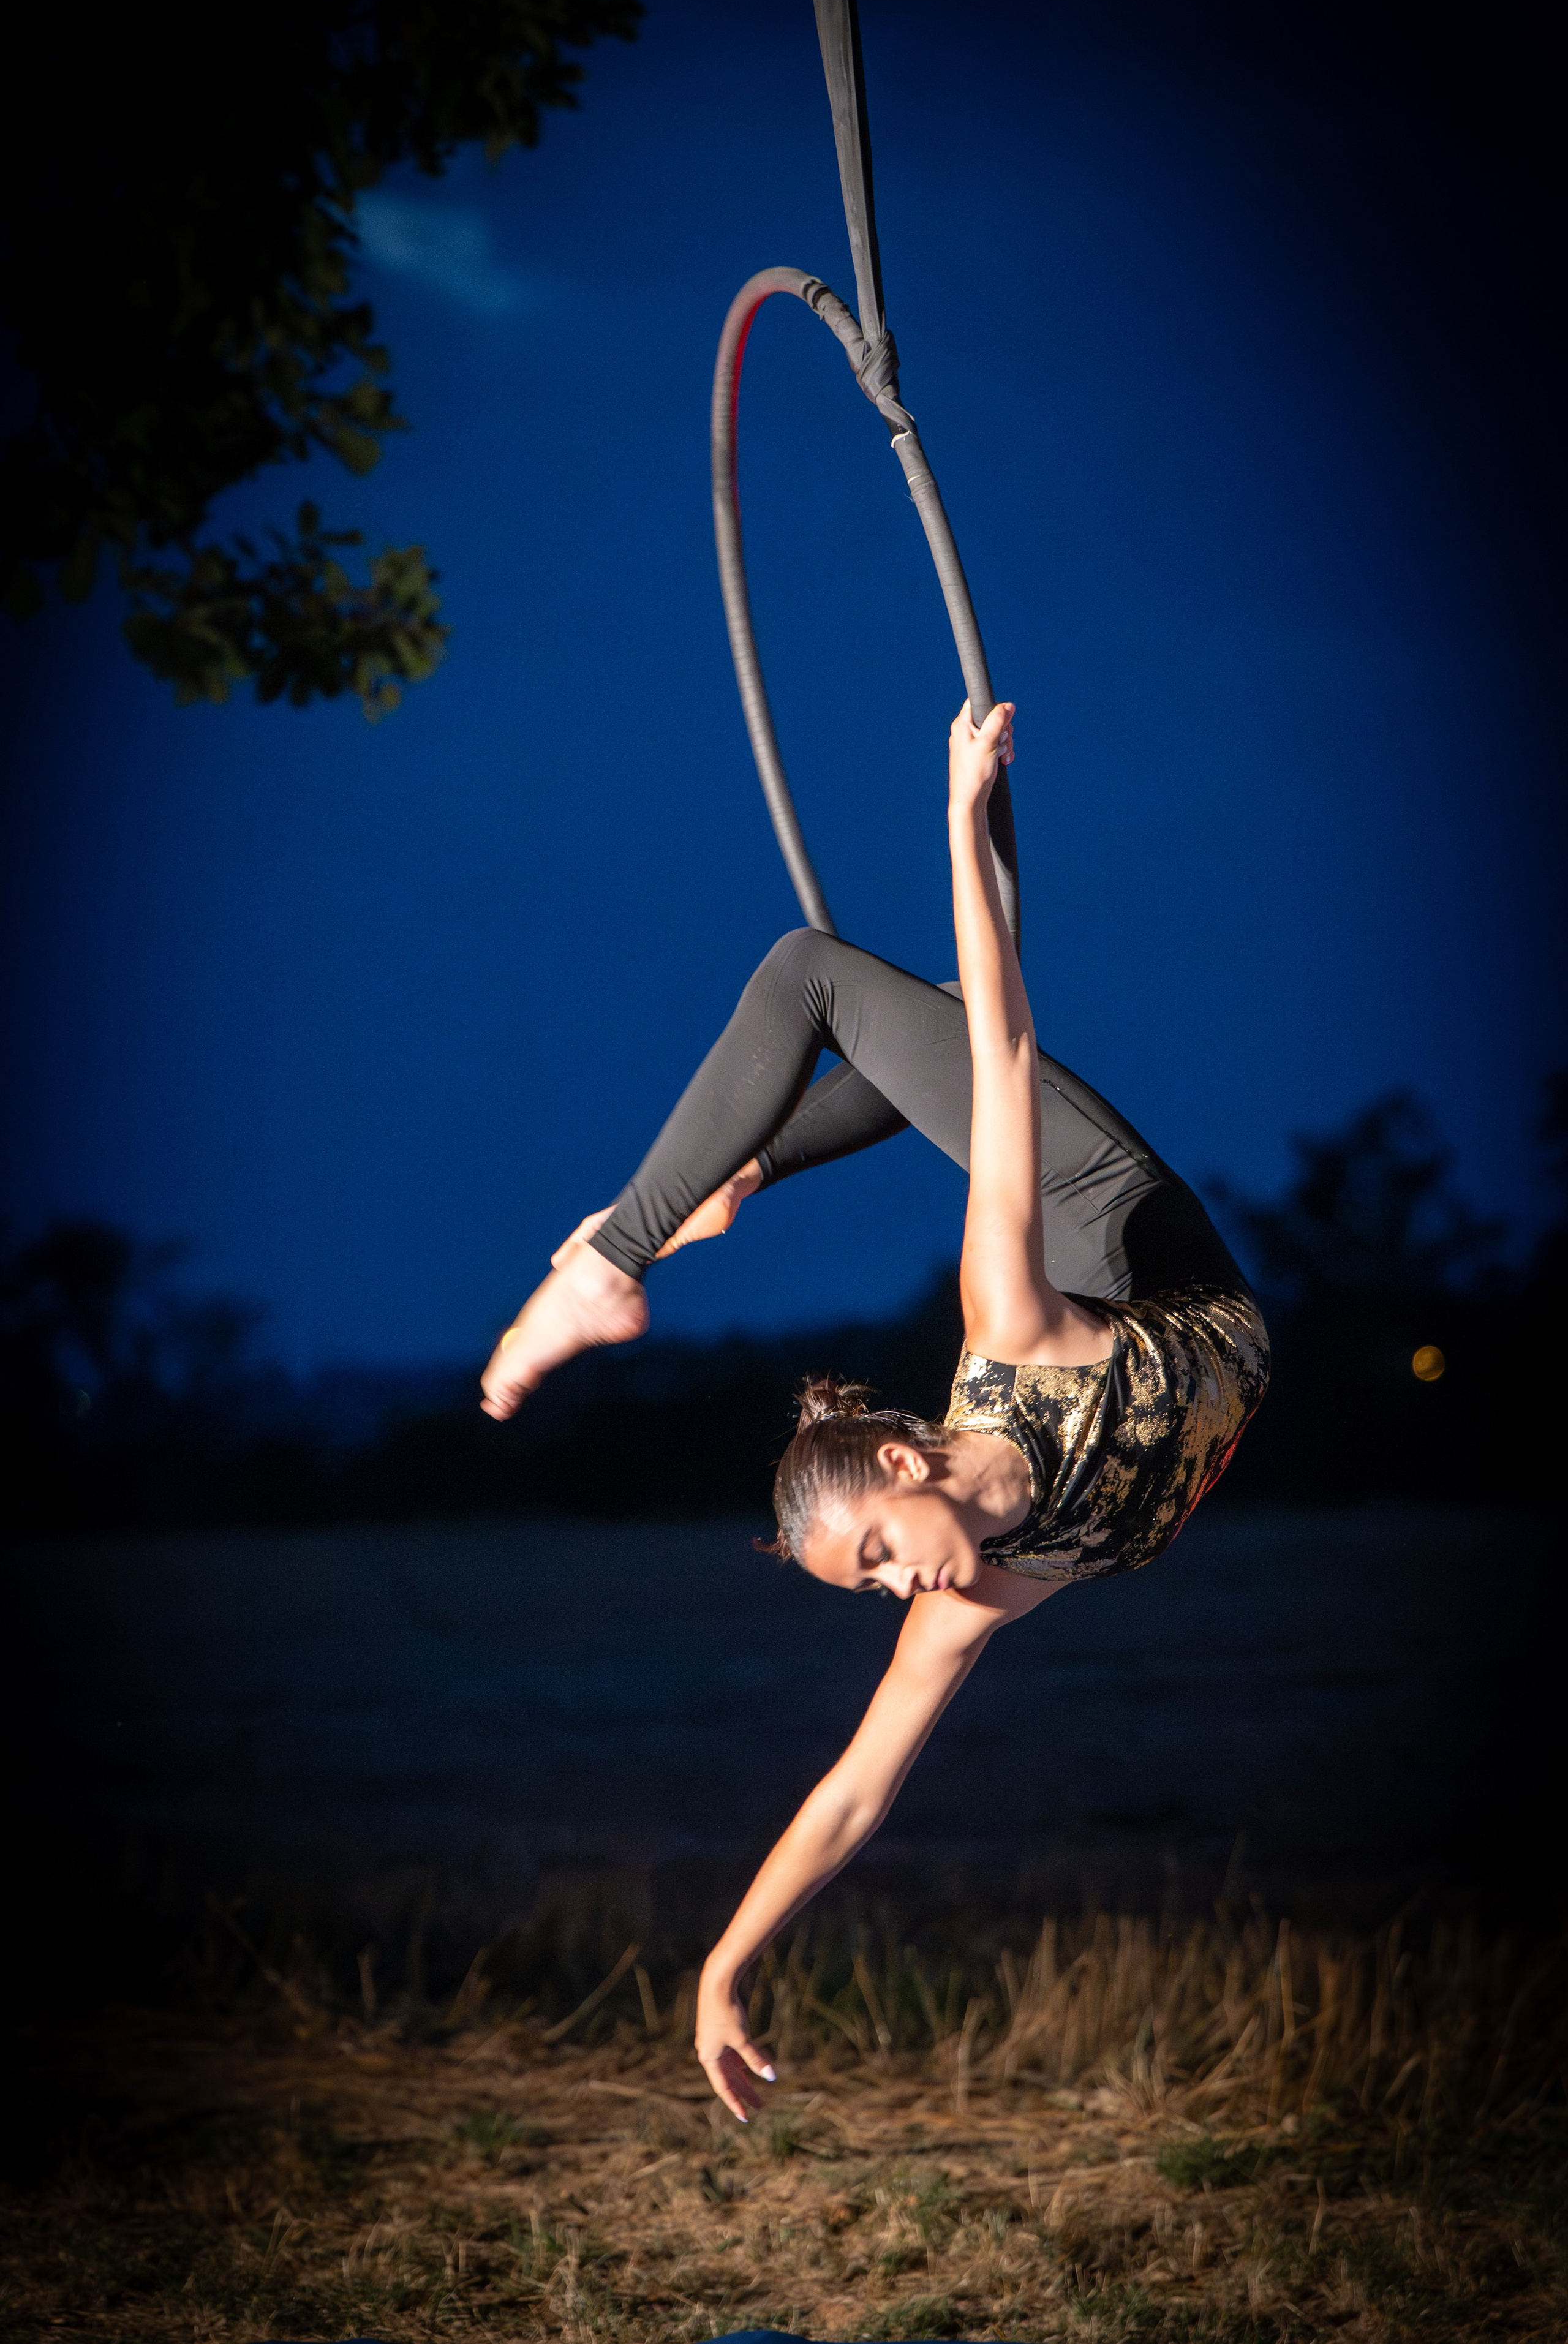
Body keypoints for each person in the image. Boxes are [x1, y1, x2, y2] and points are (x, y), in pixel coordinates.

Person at [480, 699, 1270, 2121]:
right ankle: (736, 1175)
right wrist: (722, 1966)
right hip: (1218, 1344)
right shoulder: (992, 1587)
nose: (899, 1587)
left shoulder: (1007, 1323)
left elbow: (1006, 1057)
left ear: (904, 1458)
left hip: (1122, 1243)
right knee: (909, 1070)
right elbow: (849, 1793)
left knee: (815, 977)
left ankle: (613, 1260)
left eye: (878, 1554)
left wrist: (960, 820)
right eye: (875, 1586)